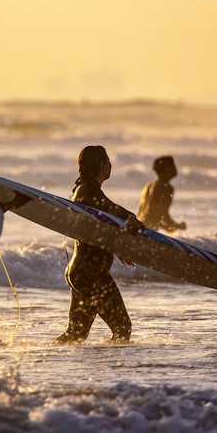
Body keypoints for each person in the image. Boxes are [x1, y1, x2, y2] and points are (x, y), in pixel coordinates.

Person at [55, 145, 144, 344]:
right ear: (101, 165)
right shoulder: (87, 190)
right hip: (91, 274)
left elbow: (95, 230)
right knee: (123, 328)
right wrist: (129, 216)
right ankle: (113, 368)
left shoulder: (85, 190)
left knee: (75, 335)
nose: (110, 165)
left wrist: (116, 247)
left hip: (81, 272)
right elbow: (108, 209)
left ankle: (44, 355)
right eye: (108, 161)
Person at [137, 155, 187, 233]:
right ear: (166, 169)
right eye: (172, 165)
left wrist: (169, 226)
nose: (175, 167)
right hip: (150, 231)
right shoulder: (166, 187)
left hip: (141, 227)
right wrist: (176, 226)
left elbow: (143, 211)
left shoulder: (149, 185)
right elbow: (161, 213)